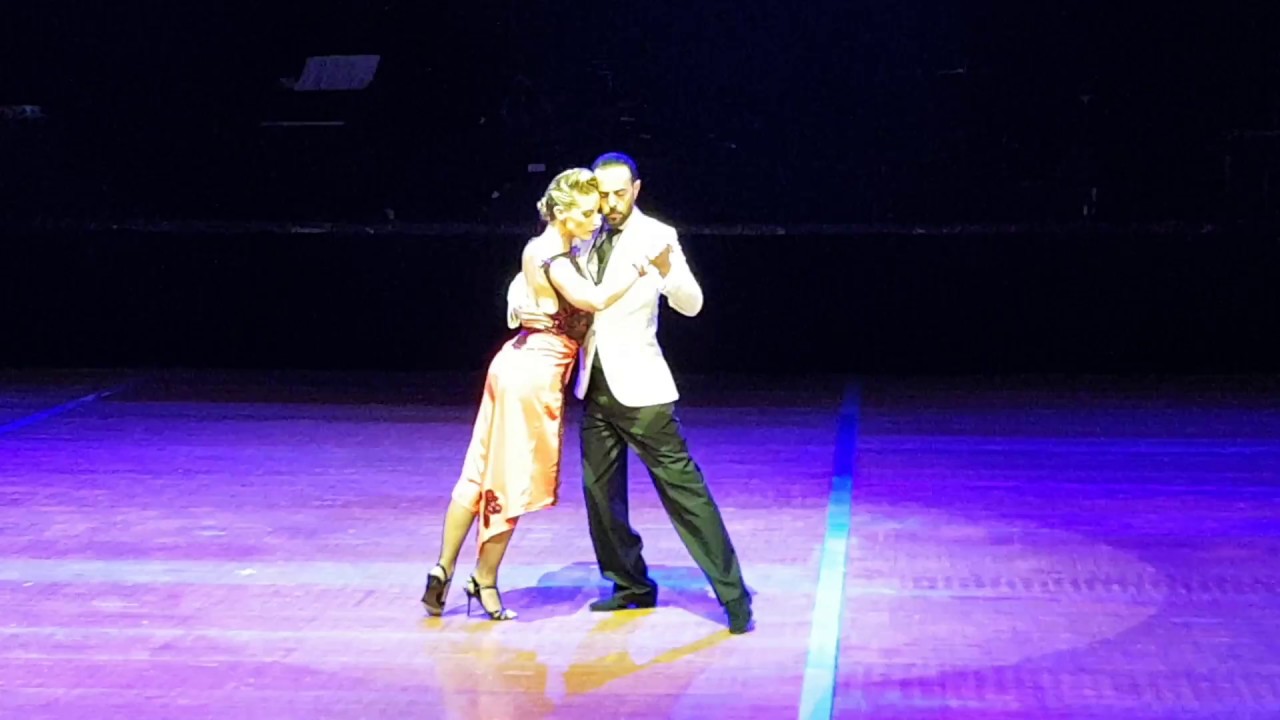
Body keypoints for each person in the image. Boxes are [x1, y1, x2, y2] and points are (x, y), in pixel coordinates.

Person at [509, 152, 753, 634]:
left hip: (642, 388)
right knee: (600, 496)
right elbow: (533, 277)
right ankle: (630, 585)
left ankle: (733, 594)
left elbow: (691, 303)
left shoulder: (657, 235)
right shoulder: (583, 230)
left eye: (620, 193)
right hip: (592, 381)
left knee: (685, 494)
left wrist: (669, 271)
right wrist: (521, 308)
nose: (611, 203)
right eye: (603, 194)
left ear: (636, 189)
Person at [421, 168, 665, 621]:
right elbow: (591, 300)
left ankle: (442, 568)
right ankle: (484, 580)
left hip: (513, 361)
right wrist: (638, 265)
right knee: (507, 480)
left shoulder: (540, 248)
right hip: (530, 376)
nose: (597, 220)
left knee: (476, 472)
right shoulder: (555, 257)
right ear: (562, 213)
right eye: (587, 213)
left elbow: (525, 292)